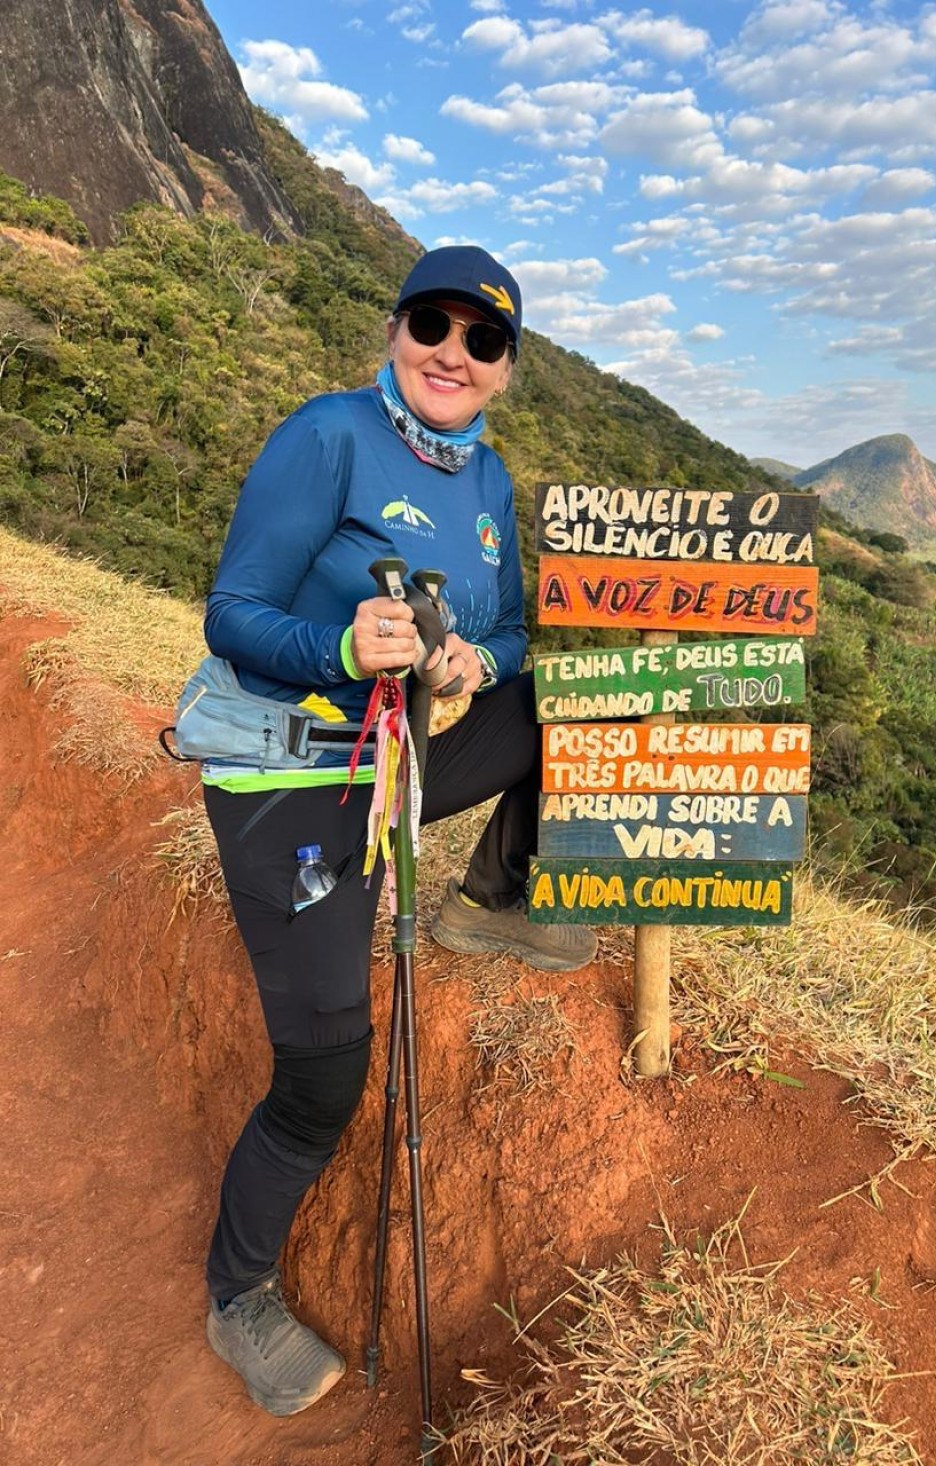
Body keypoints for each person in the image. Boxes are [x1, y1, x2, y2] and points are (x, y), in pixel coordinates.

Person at [188, 246, 596, 1417]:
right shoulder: (326, 435)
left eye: (483, 340)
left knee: (567, 696)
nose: (451, 354)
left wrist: (475, 656)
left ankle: (490, 897)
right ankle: (239, 1292)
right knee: (324, 1076)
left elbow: (512, 631)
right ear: (396, 325)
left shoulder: (490, 479)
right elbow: (233, 613)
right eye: (433, 323)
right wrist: (339, 648)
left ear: (506, 368)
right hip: (293, 777)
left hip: (405, 756)